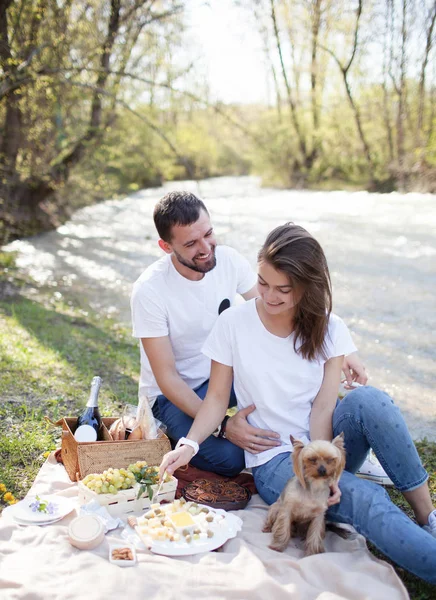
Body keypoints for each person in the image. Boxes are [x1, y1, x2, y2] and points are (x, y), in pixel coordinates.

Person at [159, 222, 436, 583]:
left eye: (283, 289)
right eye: (263, 283)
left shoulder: (328, 327)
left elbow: (323, 408)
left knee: (371, 401)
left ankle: (427, 517)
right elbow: (214, 399)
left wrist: (324, 470)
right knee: (366, 499)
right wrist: (189, 444)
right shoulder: (233, 324)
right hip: (276, 461)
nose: (269, 296)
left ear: (307, 287)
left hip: (321, 448)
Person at [131, 191, 368, 477]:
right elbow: (167, 378)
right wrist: (224, 425)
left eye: (208, 233)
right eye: (191, 243)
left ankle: (343, 452)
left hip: (226, 374)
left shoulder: (228, 260)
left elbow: (279, 309)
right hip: (173, 395)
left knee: (313, 390)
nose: (206, 247)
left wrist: (342, 349)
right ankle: (184, 436)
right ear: (166, 246)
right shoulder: (150, 291)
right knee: (232, 458)